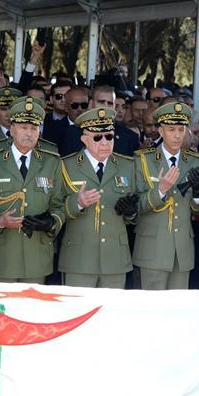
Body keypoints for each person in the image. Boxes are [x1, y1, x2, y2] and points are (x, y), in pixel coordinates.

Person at [0, 97, 65, 283]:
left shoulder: (52, 162)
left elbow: (59, 206)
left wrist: (50, 222)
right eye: (24, 127)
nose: (29, 133)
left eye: (34, 128)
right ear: (12, 129)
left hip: (38, 255)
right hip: (4, 255)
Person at [58, 108, 138, 288]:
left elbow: (135, 211)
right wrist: (77, 203)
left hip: (115, 259)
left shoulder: (128, 166)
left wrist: (131, 213)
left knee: (111, 314)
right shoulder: (66, 165)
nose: (104, 142)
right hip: (79, 259)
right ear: (84, 139)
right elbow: (54, 209)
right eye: (97, 137)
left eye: (109, 137)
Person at [132, 102, 199, 290]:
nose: (177, 135)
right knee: (151, 313)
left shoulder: (194, 161)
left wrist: (198, 194)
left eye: (181, 129)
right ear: (160, 131)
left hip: (182, 251)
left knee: (178, 313)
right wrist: (160, 190)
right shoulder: (142, 160)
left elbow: (197, 211)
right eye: (171, 129)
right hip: (152, 249)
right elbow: (135, 206)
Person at [59, 85, 140, 157]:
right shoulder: (71, 134)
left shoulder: (130, 137)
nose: (105, 106)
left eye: (110, 103)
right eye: (101, 102)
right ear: (90, 104)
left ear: (114, 106)